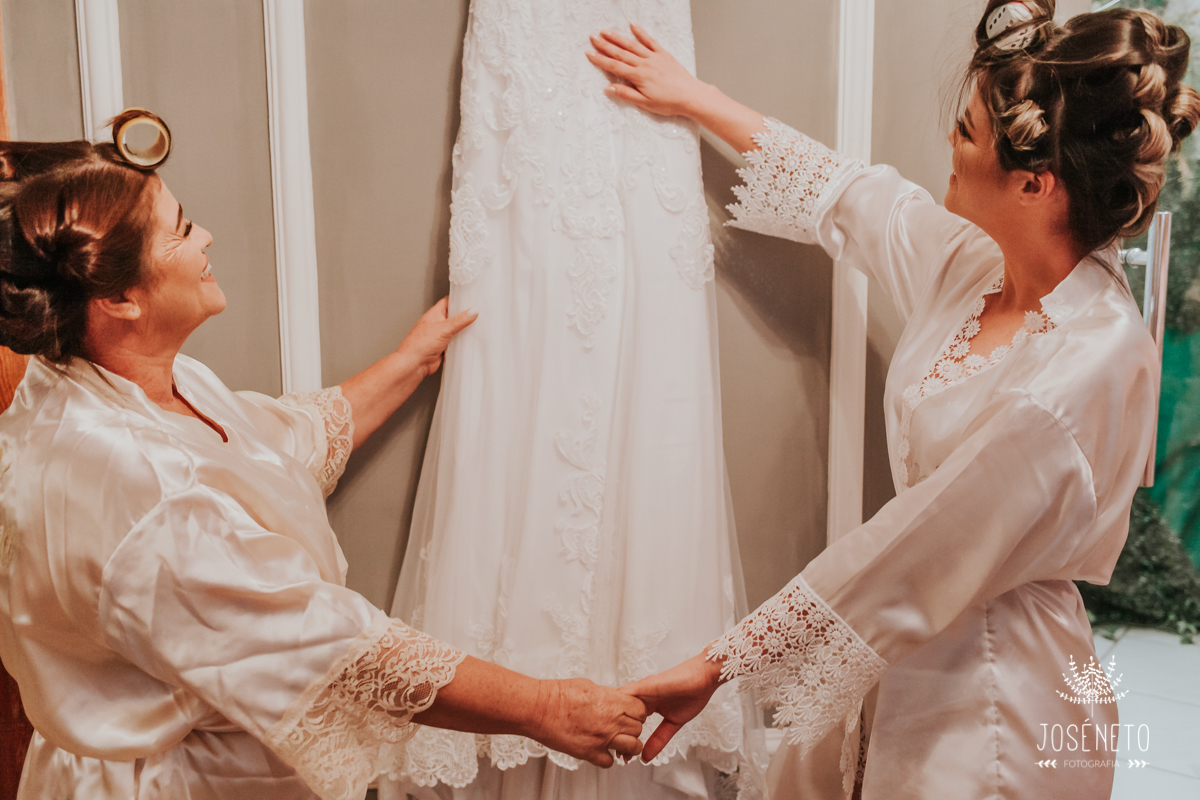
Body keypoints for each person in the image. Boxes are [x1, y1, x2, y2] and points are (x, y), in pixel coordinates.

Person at [587, 1, 1200, 798]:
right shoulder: (976, 265)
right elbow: (853, 196)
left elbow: (916, 544)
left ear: (1034, 183)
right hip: (894, 644)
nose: (949, 141)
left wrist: (720, 663)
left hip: (995, 701)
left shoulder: (1087, 362)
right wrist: (694, 96)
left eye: (968, 132)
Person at [0, 110, 646, 800]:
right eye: (182, 231)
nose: (206, 236)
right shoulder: (124, 481)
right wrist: (547, 708)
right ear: (120, 297)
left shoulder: (119, 378)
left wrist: (410, 361)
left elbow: (276, 445)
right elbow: (328, 642)